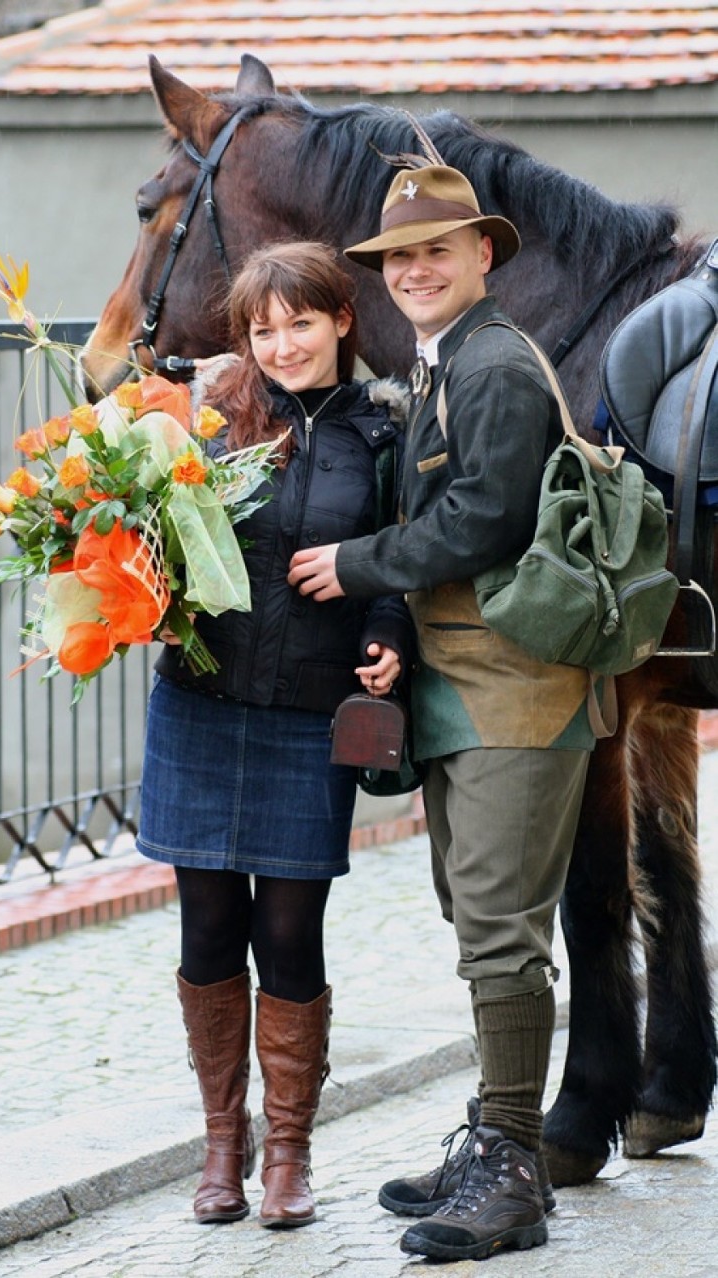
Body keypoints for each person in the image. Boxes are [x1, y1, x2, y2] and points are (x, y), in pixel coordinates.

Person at [287, 164, 597, 1262]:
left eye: (437, 250)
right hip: (469, 683)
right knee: (479, 922)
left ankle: (511, 1173)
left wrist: (354, 564)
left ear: (482, 256)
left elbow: (481, 523)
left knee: (502, 931)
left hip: (522, 686)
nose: (415, 270)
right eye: (399, 257)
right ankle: (496, 1135)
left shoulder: (497, 365)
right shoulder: (442, 363)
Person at [137, 241, 415, 1230]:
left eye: (302, 322)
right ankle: (224, 1143)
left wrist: (384, 638)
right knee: (208, 924)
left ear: (343, 321)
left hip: (310, 713)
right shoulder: (209, 419)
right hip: (200, 703)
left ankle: (290, 1153)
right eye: (265, 327)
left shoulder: (386, 437)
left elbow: (403, 565)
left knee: (290, 930)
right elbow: (149, 534)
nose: (283, 342)